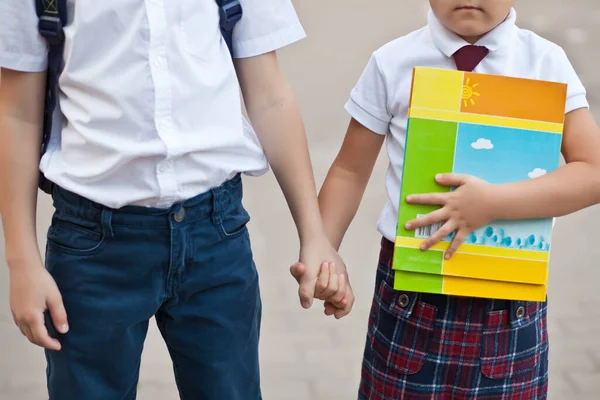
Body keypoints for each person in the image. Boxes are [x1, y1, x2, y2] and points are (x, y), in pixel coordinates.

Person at [0, 1, 353, 399]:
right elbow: (16, 112)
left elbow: (270, 95)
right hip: (93, 247)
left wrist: (314, 234)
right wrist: (21, 260)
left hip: (215, 236)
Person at [292, 0, 600, 398]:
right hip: (411, 302)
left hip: (507, 310)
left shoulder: (545, 62)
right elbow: (350, 171)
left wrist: (493, 204)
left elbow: (592, 171)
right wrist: (322, 248)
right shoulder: (394, 62)